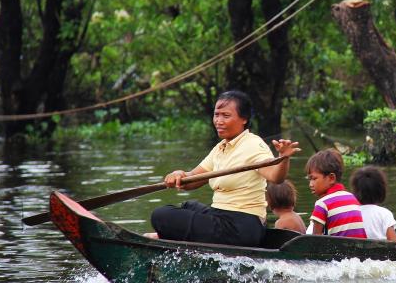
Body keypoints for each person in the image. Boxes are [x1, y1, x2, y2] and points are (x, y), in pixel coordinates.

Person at [146, 90, 300, 246]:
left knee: (160, 215)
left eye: (226, 116)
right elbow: (192, 179)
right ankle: (168, 235)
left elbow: (276, 177)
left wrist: (283, 158)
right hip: (221, 217)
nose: (218, 121)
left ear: (244, 119)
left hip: (241, 227)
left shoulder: (253, 144)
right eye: (216, 115)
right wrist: (179, 175)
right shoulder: (221, 147)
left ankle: (165, 236)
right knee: (188, 205)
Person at [305, 149, 367, 238]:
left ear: (331, 178)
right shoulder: (352, 198)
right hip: (360, 249)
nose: (310, 184)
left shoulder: (322, 203)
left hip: (337, 250)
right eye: (309, 179)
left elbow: (315, 240)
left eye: (314, 179)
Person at [350, 166, 396, 241]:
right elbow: (393, 240)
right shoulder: (384, 214)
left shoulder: (351, 213)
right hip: (379, 252)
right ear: (381, 190)